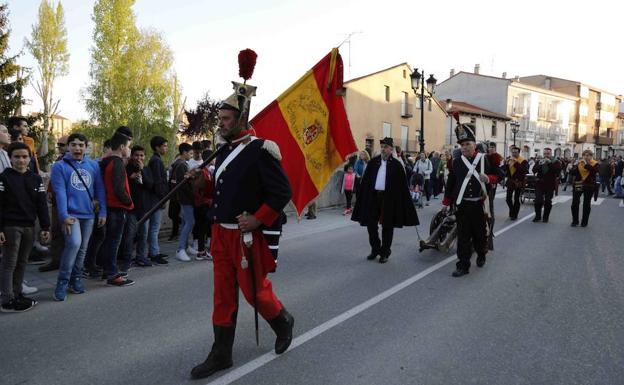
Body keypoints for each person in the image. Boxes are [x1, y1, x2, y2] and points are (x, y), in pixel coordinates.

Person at [191, 76, 294, 380]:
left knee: (255, 293)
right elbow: (223, 192)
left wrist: (259, 218)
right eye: (219, 119)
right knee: (222, 296)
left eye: (225, 119)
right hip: (220, 235)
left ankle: (283, 321)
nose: (220, 124)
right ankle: (221, 353)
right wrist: (202, 182)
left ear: (240, 119)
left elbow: (281, 192)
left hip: (245, 235)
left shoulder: (261, 150)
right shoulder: (223, 150)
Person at [50, 133, 107, 300]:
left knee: (82, 249)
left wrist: (102, 211)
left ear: (86, 147)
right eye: (73, 145)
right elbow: (59, 192)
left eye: (81, 145)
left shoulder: (93, 165)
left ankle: (75, 279)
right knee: (74, 244)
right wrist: (63, 215)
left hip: (88, 214)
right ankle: (62, 281)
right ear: (68, 147)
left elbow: (99, 189)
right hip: (71, 215)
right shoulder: (60, 166)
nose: (77, 148)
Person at [442, 123, 499, 277]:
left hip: (479, 205)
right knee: (463, 237)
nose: (465, 147)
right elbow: (451, 183)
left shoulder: (484, 159)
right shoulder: (456, 162)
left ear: (475, 145)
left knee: (480, 235)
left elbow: (499, 175)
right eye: (462, 145)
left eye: (468, 144)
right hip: (462, 205)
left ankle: (481, 254)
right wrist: (446, 203)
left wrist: (489, 178)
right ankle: (463, 265)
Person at [351, 137, 419, 263]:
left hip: (389, 199)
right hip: (374, 197)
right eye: (382, 147)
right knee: (371, 224)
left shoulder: (397, 165)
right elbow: (366, 181)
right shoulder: (373, 163)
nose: (383, 149)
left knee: (388, 225)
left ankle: (385, 252)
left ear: (391, 149)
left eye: (386, 147)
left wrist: (406, 202)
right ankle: (375, 248)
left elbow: (402, 186)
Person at [0, 142, 50, 312]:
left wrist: (45, 227)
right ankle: (7, 300)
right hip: (11, 227)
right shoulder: (4, 177)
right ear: (10, 158)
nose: (21, 160)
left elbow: (42, 204)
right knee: (9, 264)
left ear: (30, 158)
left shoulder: (35, 178)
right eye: (17, 157)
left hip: (30, 227)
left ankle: (17, 293)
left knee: (22, 262)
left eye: (24, 157)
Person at [100, 131, 135, 286]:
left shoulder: (105, 161)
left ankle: (107, 269)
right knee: (114, 241)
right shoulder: (118, 163)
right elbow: (119, 189)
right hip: (117, 207)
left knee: (109, 240)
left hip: (108, 206)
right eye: (129, 146)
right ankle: (112, 274)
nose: (129, 150)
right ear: (122, 147)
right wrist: (129, 202)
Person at [117, 145, 154, 269]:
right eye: (136, 155)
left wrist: (142, 171)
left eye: (141, 155)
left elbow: (150, 185)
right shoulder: (126, 169)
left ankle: (141, 257)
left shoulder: (147, 169)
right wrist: (130, 178)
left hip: (145, 208)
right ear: (132, 156)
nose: (139, 158)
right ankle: (127, 258)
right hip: (131, 208)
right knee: (129, 234)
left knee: (144, 234)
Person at [39, 135, 69, 273]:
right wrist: (50, 191)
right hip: (57, 201)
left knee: (66, 233)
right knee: (56, 231)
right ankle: (56, 260)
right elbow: (54, 178)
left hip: (68, 203)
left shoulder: (72, 161)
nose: (59, 147)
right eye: (58, 145)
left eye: (62, 145)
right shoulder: (59, 160)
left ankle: (65, 261)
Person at [145, 136, 169, 265]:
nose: (166, 148)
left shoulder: (156, 160)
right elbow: (158, 182)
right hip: (156, 199)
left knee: (154, 227)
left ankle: (154, 250)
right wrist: (163, 198)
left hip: (155, 198)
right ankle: (154, 253)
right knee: (154, 227)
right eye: (164, 146)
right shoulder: (156, 161)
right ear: (157, 147)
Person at [173, 142, 196, 262]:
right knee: (190, 222)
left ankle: (185, 246)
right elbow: (183, 185)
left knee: (185, 222)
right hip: (186, 199)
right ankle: (180, 249)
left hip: (184, 198)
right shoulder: (181, 165)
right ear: (184, 153)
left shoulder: (181, 164)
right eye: (190, 153)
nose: (191, 156)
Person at [192, 150, 214, 260]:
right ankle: (206, 251)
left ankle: (201, 251)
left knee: (202, 229)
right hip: (204, 203)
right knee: (206, 228)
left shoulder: (200, 170)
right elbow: (205, 188)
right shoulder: (204, 172)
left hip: (199, 203)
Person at [532, 148, 562, 223]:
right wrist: (539, 165)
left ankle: (546, 217)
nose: (546, 155)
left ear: (551, 154)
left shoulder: (555, 162)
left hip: (550, 184)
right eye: (545, 154)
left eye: (548, 154)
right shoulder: (539, 161)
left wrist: (549, 163)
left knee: (548, 201)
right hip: (540, 184)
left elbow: (557, 171)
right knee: (538, 200)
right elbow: (534, 170)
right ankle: (538, 216)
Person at [570, 150, 599, 227]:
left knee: (586, 204)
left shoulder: (595, 164)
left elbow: (594, 171)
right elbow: (574, 173)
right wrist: (572, 167)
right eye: (584, 155)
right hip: (579, 183)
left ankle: (584, 222)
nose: (586, 157)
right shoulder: (580, 163)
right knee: (575, 203)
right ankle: (575, 221)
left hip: (589, 185)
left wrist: (586, 164)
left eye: (588, 155)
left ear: (591, 156)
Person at [504, 146, 528, 220]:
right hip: (511, 181)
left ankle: (515, 214)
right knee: (508, 198)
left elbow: (524, 171)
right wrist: (506, 164)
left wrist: (516, 162)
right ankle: (512, 210)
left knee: (516, 198)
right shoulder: (510, 160)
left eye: (515, 152)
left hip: (519, 181)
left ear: (518, 152)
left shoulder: (523, 161)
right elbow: (506, 171)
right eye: (513, 152)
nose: (514, 154)